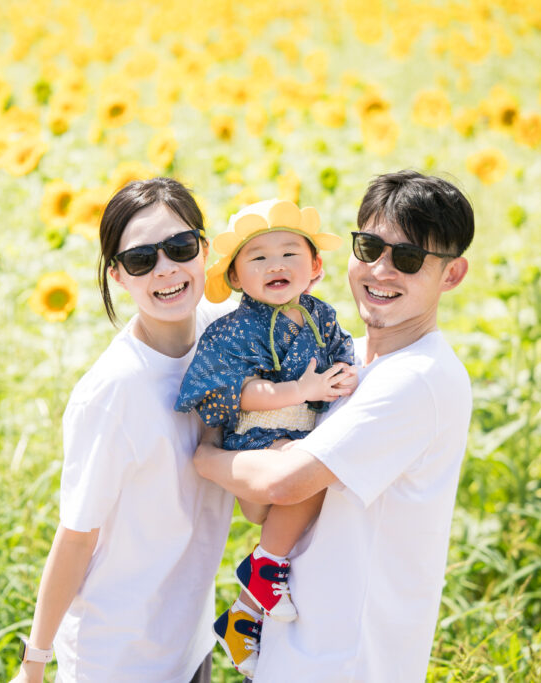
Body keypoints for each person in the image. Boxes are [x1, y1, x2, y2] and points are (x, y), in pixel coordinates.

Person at [192, 170, 474, 681]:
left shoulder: (417, 379)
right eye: (369, 247)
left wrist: (206, 455)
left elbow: (281, 483)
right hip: (301, 639)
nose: (380, 271)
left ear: (452, 275)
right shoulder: (353, 359)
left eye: (407, 259)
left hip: (348, 658)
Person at [9, 177, 264, 683]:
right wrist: (34, 664)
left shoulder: (226, 334)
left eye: (180, 247)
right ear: (118, 276)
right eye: (141, 259)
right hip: (118, 658)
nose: (166, 269)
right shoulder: (113, 392)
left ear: (205, 251)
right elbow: (76, 538)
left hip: (189, 644)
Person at [174, 198, 357, 676]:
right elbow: (236, 391)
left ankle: (244, 613)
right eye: (258, 258)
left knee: (306, 494)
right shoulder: (237, 328)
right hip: (257, 438)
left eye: (290, 254)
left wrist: (345, 377)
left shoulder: (321, 314)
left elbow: (344, 355)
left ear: (314, 267)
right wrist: (301, 389)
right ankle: (263, 567)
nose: (276, 264)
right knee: (300, 474)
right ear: (236, 277)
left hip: (301, 428)